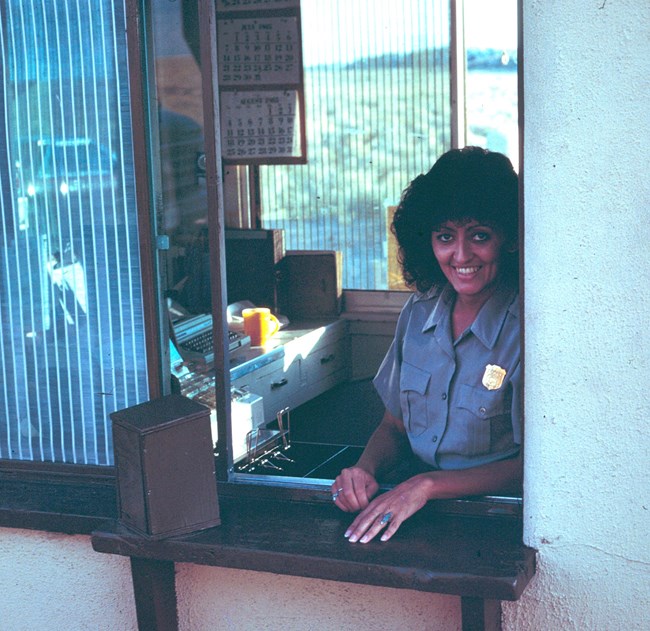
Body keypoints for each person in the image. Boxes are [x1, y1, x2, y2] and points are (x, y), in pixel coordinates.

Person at [332, 146, 521, 543]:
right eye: (445, 236)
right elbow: (394, 426)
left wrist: (426, 486)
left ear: (509, 238)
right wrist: (364, 470)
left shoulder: (527, 329)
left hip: (496, 518)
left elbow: (529, 465)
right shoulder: (418, 312)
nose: (461, 255)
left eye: (479, 236)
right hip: (412, 506)